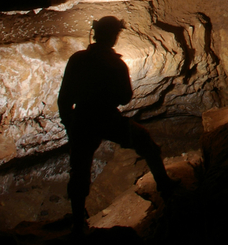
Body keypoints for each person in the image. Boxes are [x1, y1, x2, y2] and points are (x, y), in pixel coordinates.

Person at [57, 16, 175, 227]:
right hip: (106, 117)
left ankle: (77, 219)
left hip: (83, 119)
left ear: (95, 34)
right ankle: (165, 187)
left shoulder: (77, 59)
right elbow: (125, 97)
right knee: (144, 141)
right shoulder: (116, 64)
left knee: (79, 168)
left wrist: (70, 125)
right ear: (112, 37)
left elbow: (65, 97)